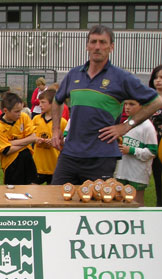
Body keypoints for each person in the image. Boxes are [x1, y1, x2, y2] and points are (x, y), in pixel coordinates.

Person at [51, 25, 162, 185]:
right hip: (70, 154)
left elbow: (156, 101)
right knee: (58, 202)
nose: (97, 47)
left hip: (101, 156)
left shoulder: (121, 77)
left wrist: (126, 126)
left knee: (95, 206)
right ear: (87, 45)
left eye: (103, 42)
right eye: (93, 42)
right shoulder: (74, 75)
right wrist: (55, 130)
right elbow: (57, 100)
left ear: (111, 47)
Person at [114, 99, 158, 206]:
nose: (127, 107)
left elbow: (152, 151)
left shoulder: (147, 127)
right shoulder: (125, 124)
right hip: (122, 171)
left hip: (137, 173)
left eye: (132, 104)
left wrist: (132, 150)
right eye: (126, 104)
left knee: (137, 202)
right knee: (121, 201)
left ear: (142, 107)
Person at [0, 92, 37, 185]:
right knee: (13, 193)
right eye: (16, 111)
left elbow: (33, 137)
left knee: (33, 188)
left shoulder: (24, 117)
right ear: (6, 110)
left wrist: (12, 142)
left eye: (20, 110)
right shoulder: (0, 127)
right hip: (11, 165)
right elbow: (6, 150)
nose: (19, 114)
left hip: (28, 160)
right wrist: (26, 142)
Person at [32, 89, 67, 184]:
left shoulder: (62, 122)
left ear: (52, 104)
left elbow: (66, 142)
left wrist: (55, 142)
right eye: (39, 102)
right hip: (38, 166)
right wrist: (36, 139)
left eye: (43, 102)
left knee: (53, 194)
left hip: (54, 167)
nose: (40, 105)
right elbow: (30, 135)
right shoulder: (36, 119)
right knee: (33, 191)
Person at [148, 65, 162, 206]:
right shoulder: (148, 99)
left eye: (161, 78)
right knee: (157, 174)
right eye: (156, 78)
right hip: (152, 142)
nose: (158, 81)